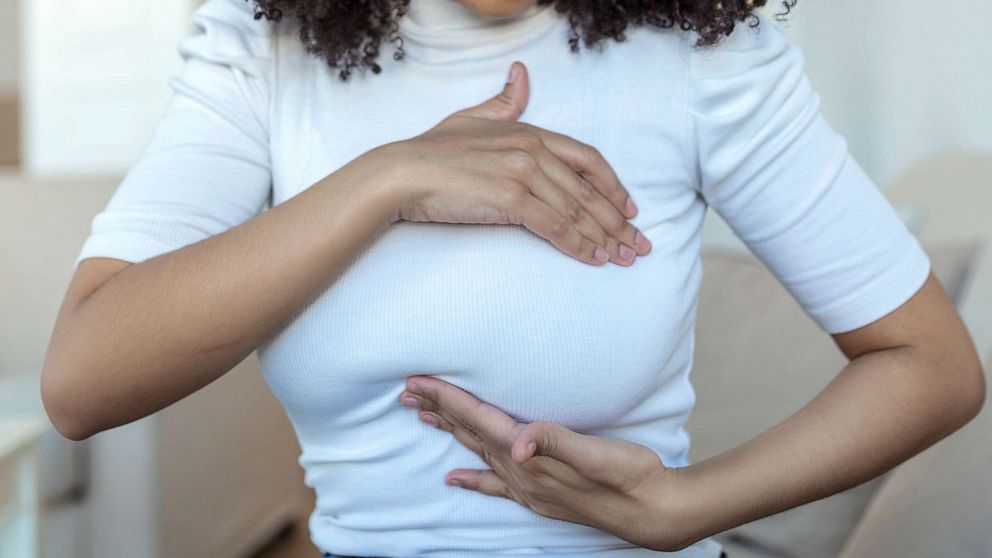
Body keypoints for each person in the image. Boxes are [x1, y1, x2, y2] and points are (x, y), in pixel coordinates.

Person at [42, 0, 985, 556]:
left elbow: (930, 363)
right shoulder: (263, 46)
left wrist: (684, 507)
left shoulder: (697, 53)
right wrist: (392, 178)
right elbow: (83, 381)